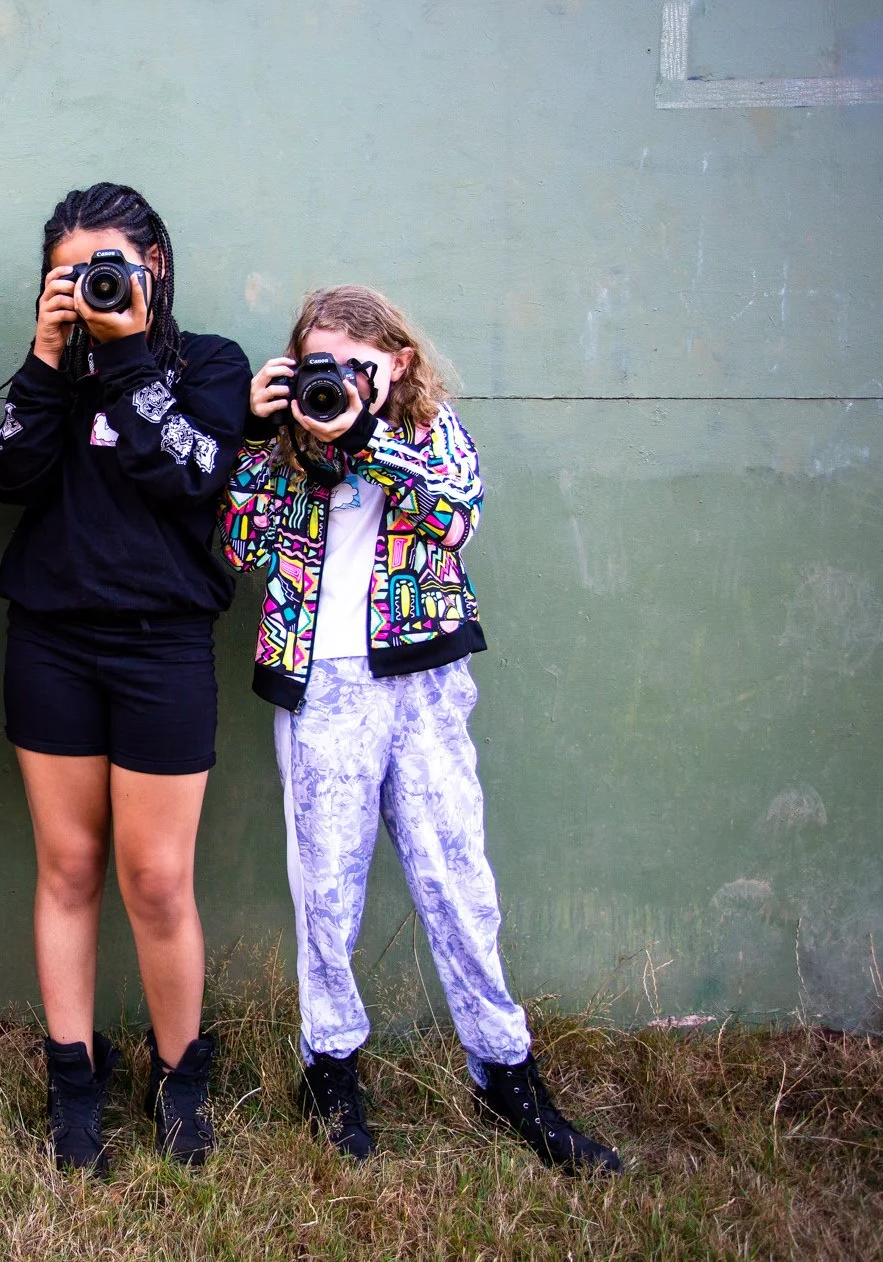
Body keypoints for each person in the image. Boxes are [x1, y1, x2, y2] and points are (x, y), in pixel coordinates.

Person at [222, 284, 622, 1174]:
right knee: (325, 892)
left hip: (423, 681)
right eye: (325, 367)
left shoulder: (429, 433)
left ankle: (504, 1070)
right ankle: (330, 1070)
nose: (342, 386)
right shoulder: (286, 443)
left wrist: (366, 437)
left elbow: (458, 515)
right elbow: (242, 547)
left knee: (458, 879)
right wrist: (261, 436)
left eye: (360, 368)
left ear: (398, 362)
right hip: (320, 683)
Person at [0, 182, 250, 1171]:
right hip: (50, 642)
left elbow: (188, 471)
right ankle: (73, 1079)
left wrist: (130, 354)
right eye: (70, 273)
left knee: (156, 877)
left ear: (155, 268)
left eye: (109, 269)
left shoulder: (206, 365)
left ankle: (180, 1075)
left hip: (163, 649)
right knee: (66, 867)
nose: (90, 286)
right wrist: (51, 360)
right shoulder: (50, 371)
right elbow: (9, 477)